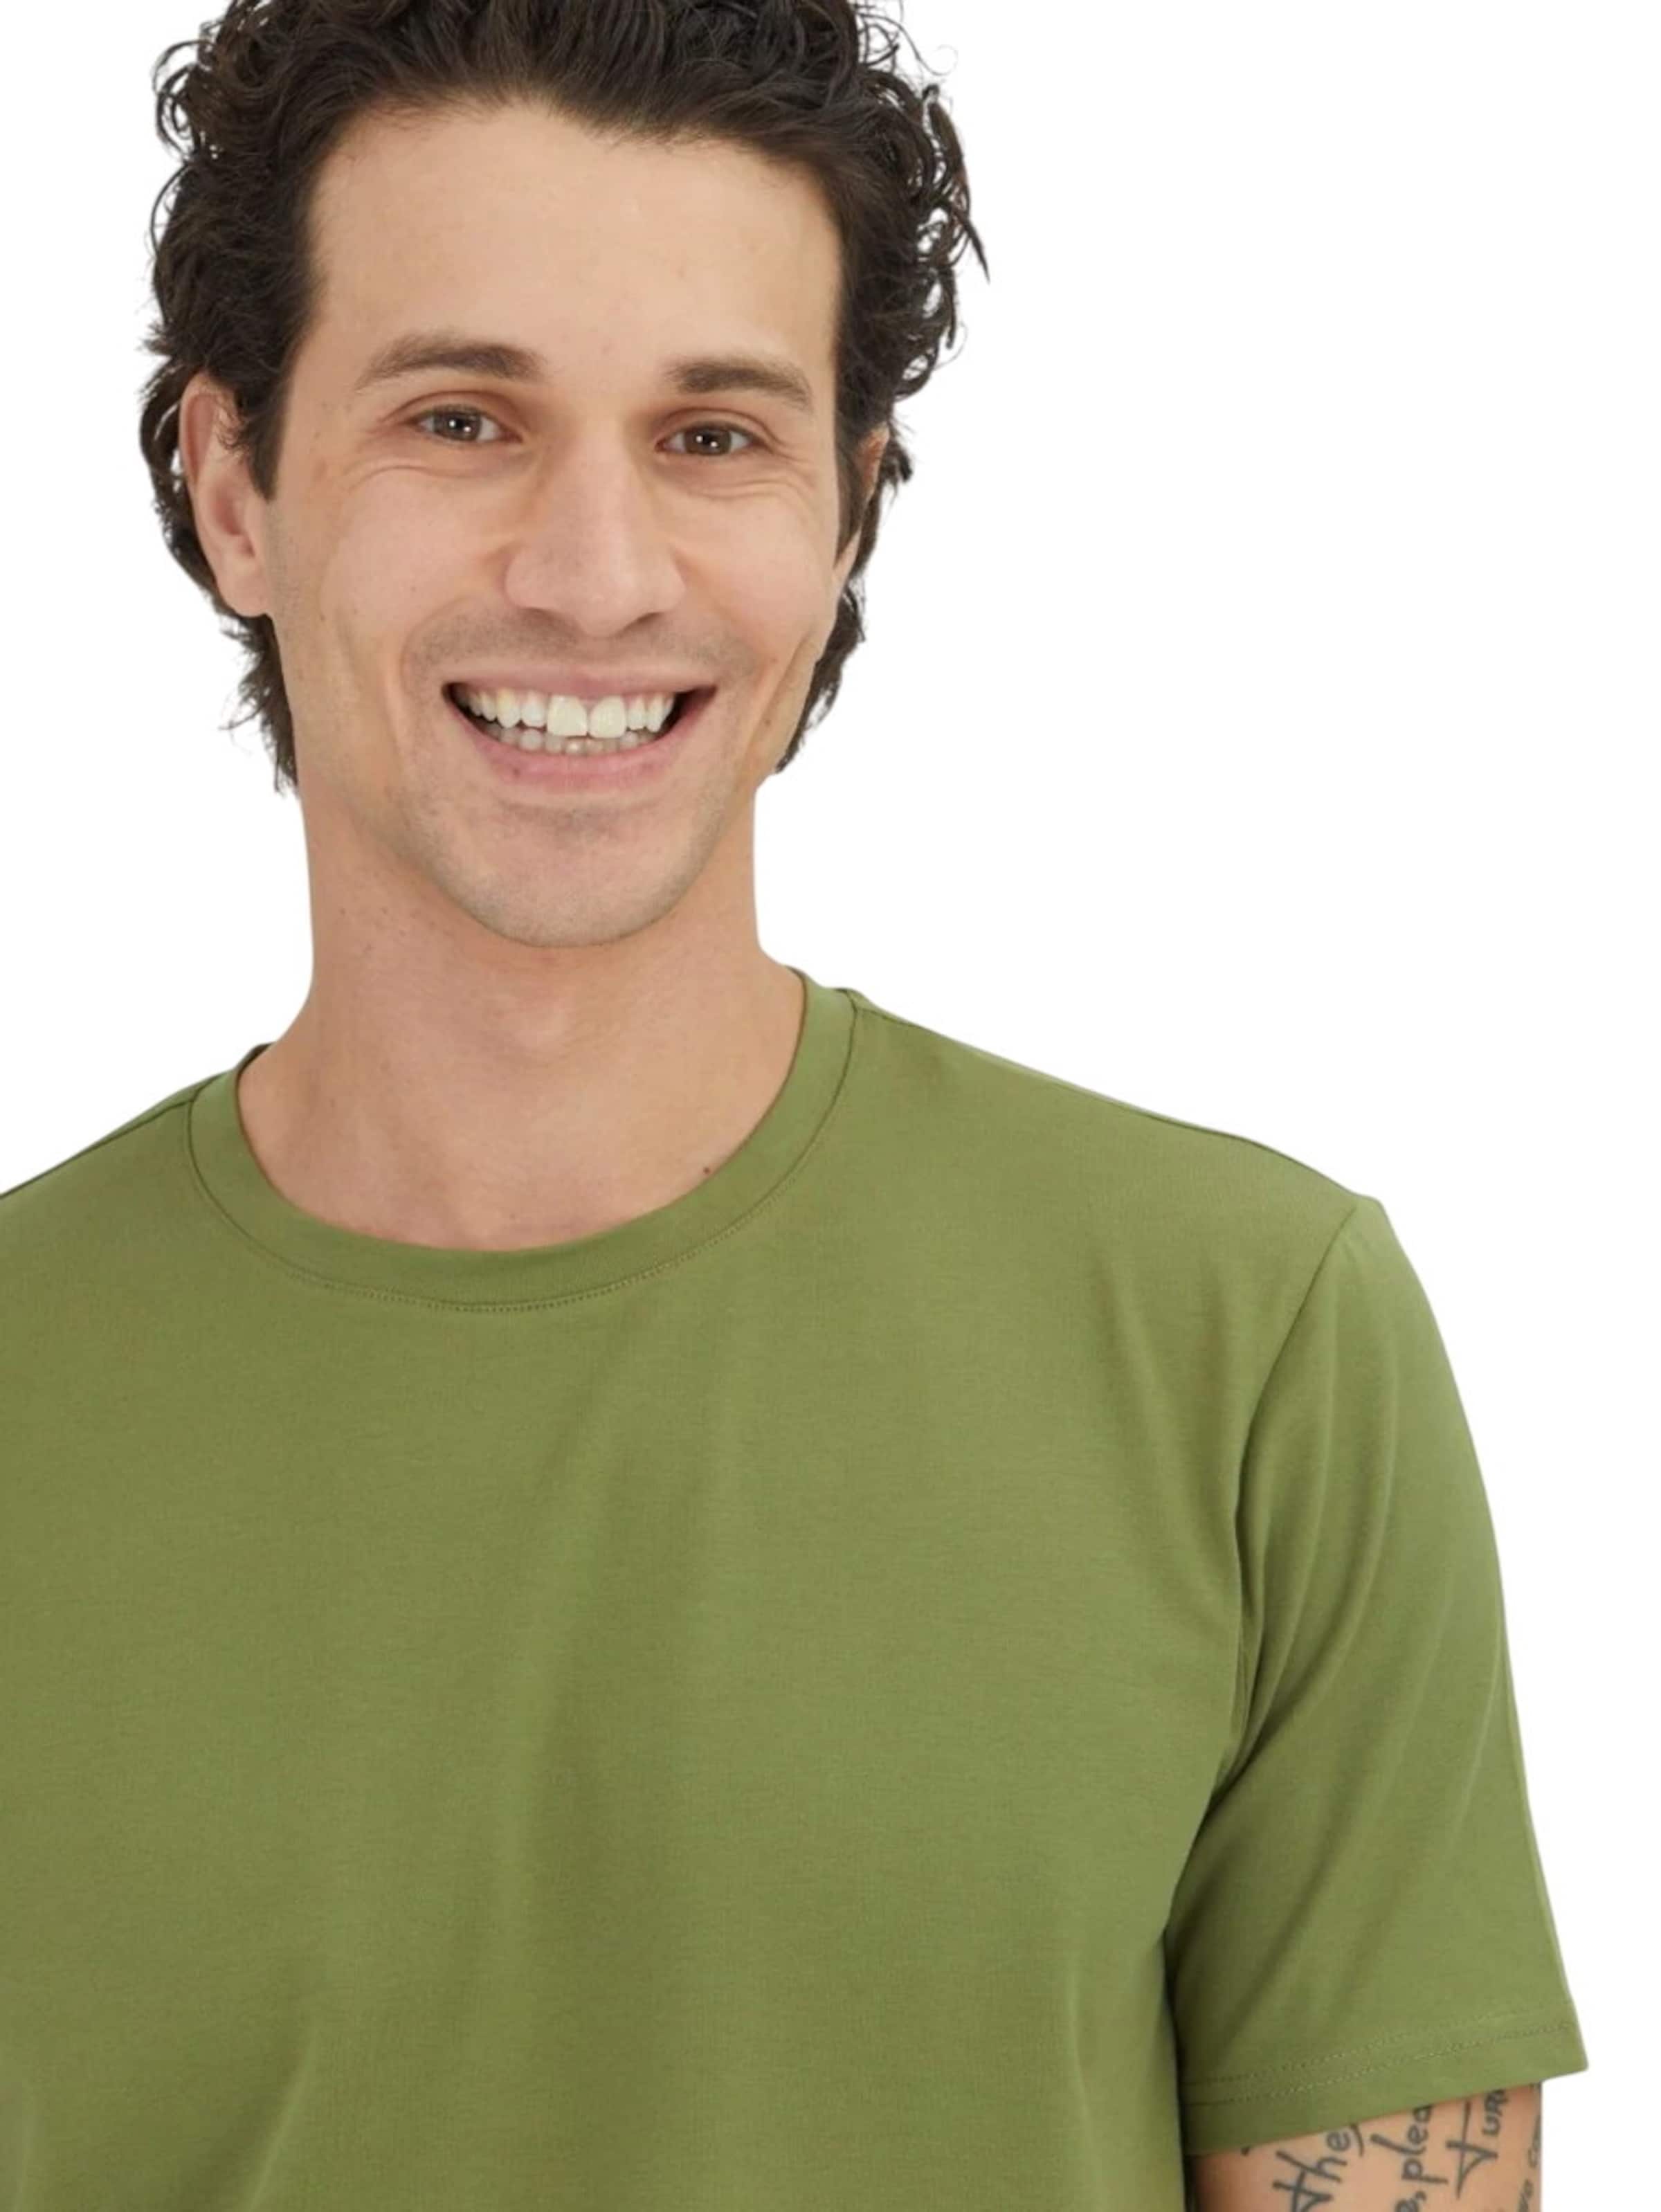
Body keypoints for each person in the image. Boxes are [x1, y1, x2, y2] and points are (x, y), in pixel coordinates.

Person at [0, 2, 1586, 2206]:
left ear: (848, 510)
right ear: (233, 486)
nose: (596, 570)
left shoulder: (1251, 1345)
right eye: (462, 417)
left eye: (713, 436)